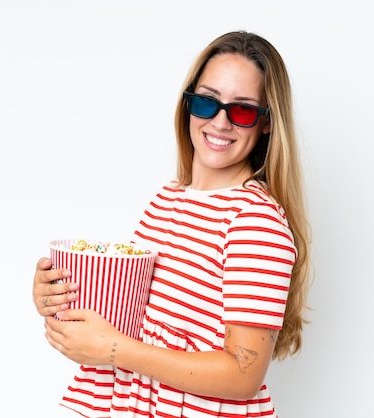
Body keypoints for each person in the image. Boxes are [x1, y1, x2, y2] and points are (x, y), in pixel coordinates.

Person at [32, 30, 311, 417]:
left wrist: (113, 349)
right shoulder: (168, 199)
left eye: (243, 110)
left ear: (266, 123)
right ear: (189, 104)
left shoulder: (255, 222)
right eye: (206, 101)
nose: (220, 121)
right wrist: (58, 300)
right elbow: (131, 321)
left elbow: (243, 374)